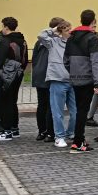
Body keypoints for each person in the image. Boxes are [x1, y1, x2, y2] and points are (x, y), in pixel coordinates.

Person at [65, 10, 98, 153]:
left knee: (79, 109)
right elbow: (96, 61)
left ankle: (79, 140)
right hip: (87, 79)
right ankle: (78, 142)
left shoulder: (71, 37)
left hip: (75, 78)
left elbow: (66, 60)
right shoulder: (92, 38)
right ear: (93, 21)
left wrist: (73, 72)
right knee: (82, 111)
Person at [0, 17, 28, 141]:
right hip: (19, 73)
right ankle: (14, 128)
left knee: (6, 101)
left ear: (6, 27)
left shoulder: (5, 41)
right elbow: (25, 59)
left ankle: (6, 131)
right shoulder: (22, 40)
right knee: (13, 101)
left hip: (6, 75)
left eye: (2, 27)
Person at [40, 20, 74, 148]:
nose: (69, 32)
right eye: (66, 30)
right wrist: (54, 30)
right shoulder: (53, 42)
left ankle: (71, 133)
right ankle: (59, 136)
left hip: (72, 81)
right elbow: (41, 35)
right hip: (57, 80)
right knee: (57, 112)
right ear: (61, 32)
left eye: (70, 29)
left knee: (75, 112)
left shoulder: (73, 43)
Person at [31, 17, 62, 142]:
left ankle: (41, 131)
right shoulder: (55, 41)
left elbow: (34, 58)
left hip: (39, 74)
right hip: (50, 75)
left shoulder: (39, 41)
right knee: (51, 105)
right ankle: (50, 132)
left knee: (42, 104)